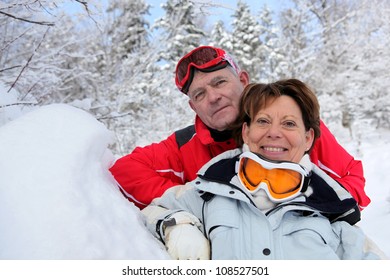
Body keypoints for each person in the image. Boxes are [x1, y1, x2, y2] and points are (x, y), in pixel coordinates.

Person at [141, 80, 384, 260]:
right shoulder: (208, 192)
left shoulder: (331, 208)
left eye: (289, 123)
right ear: (246, 132)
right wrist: (178, 227)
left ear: (308, 138)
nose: (274, 133)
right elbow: (154, 211)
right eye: (263, 121)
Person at [109, 46, 370, 210]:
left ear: (243, 80)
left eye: (220, 82)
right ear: (193, 107)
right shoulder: (183, 146)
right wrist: (193, 199)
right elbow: (124, 171)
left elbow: (352, 179)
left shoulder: (292, 127)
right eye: (200, 94)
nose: (213, 97)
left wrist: (303, 205)